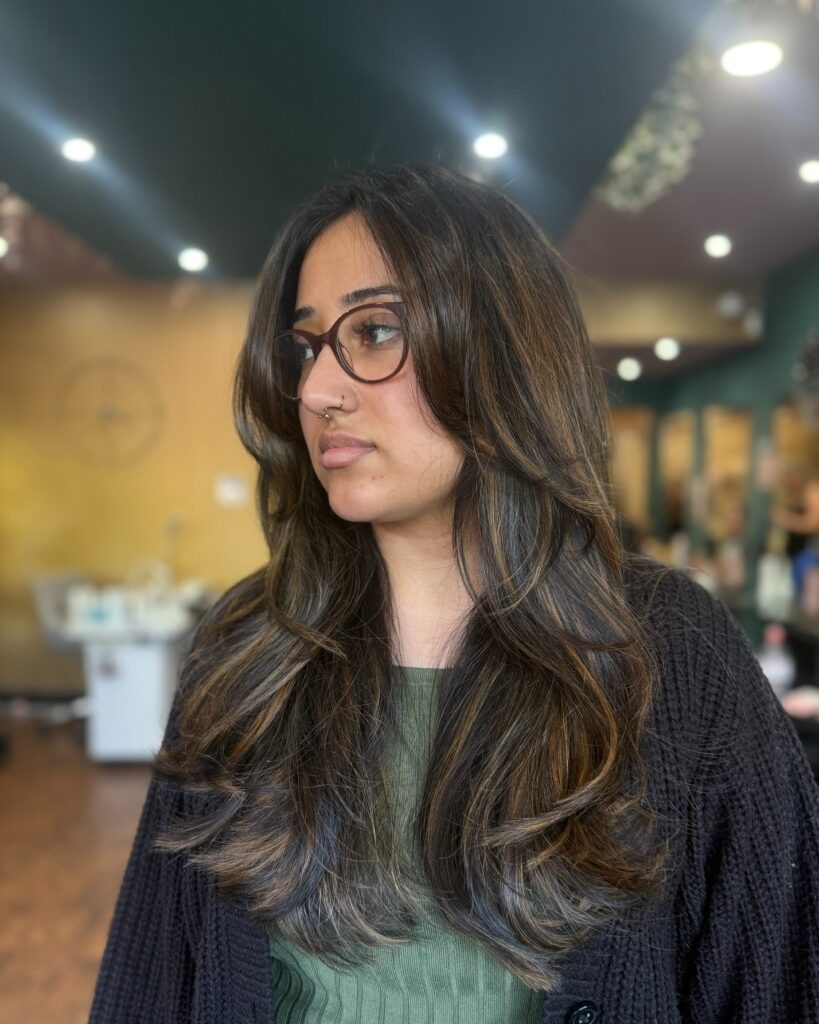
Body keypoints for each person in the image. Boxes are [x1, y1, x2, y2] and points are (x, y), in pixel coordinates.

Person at [88, 163, 819, 1024]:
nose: (318, 391)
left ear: (500, 351)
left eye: (372, 332)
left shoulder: (671, 656)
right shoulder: (250, 650)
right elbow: (149, 985)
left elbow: (777, 985)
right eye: (305, 346)